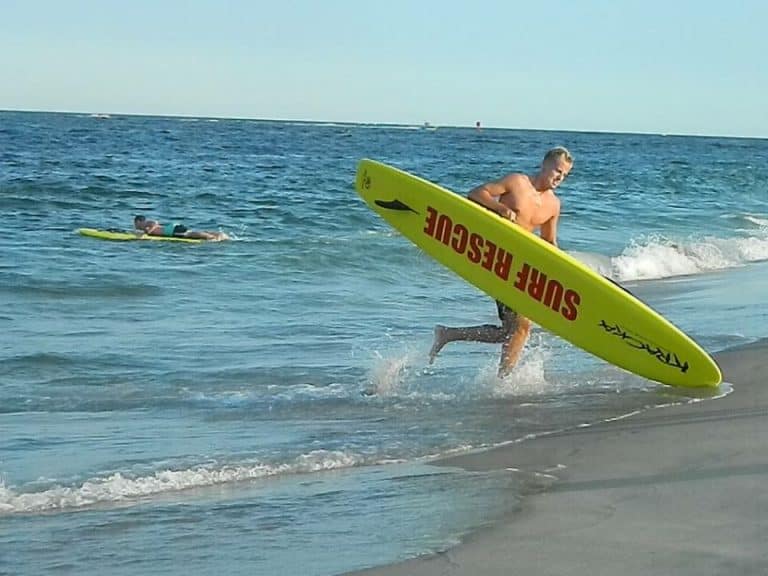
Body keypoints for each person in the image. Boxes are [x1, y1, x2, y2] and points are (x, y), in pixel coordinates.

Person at [428, 147, 574, 377]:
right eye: (557, 171)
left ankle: (448, 334)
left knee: (510, 331)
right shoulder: (517, 182)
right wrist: (500, 208)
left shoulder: (553, 205)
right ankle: (504, 380)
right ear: (544, 164)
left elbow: (549, 241)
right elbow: (477, 193)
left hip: (521, 268)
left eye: (565, 175)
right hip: (498, 260)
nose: (560, 178)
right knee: (522, 327)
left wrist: (567, 270)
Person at [133, 215, 229, 241]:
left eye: (135, 223)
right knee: (191, 232)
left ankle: (211, 237)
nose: (135, 226)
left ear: (138, 221)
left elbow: (155, 223)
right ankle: (217, 234)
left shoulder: (147, 223)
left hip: (171, 230)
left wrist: (147, 232)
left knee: (188, 234)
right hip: (171, 230)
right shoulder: (144, 227)